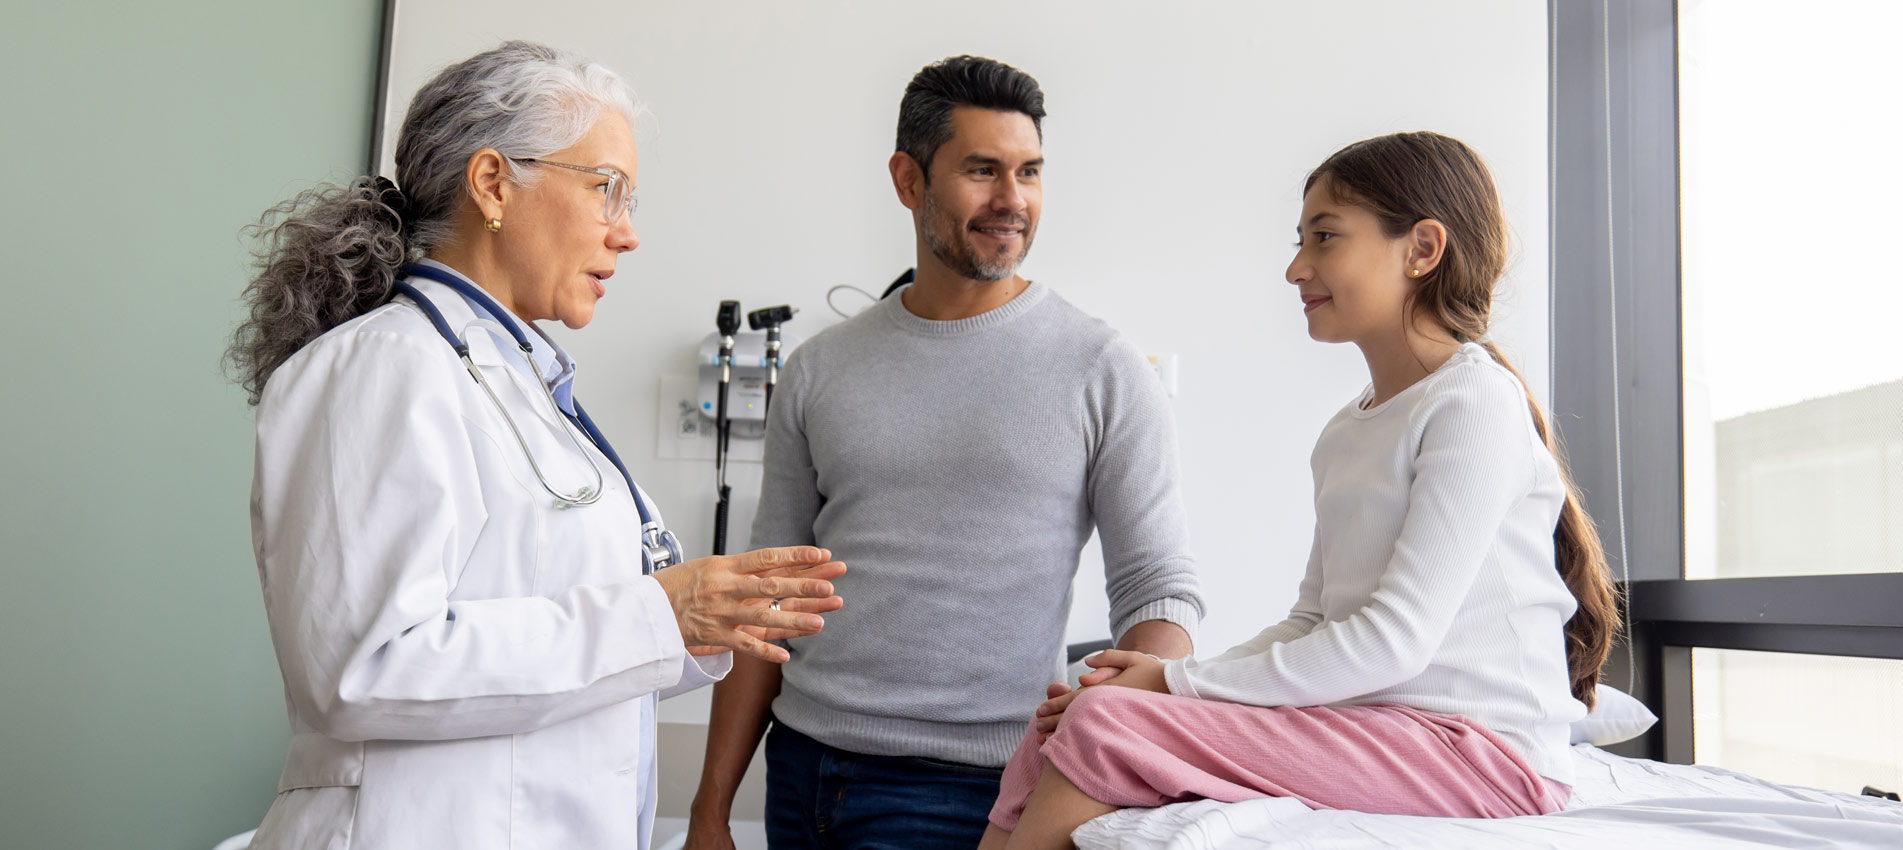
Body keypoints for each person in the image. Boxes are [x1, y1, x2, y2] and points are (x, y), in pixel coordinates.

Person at [226, 41, 845, 850]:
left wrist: (695, 624)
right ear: (492, 184)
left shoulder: (516, 381)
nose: (627, 234)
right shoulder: (382, 367)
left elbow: (554, 640)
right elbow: (364, 669)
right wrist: (658, 613)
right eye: (606, 190)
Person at [980, 131, 1622, 849]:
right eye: (1300, 239)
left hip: (1484, 756)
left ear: (1421, 249)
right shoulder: (1346, 431)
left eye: (1323, 238)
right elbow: (1312, 619)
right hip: (1387, 727)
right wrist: (1174, 672)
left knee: (1104, 721)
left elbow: (1393, 645)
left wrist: (1172, 685)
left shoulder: (1471, 403)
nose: (1295, 268)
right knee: (1071, 716)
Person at [686, 55, 1205, 850]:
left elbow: (1160, 592)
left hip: (976, 790)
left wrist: (1098, 735)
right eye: (982, 171)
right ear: (908, 180)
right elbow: (767, 600)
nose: (1013, 200)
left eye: (1029, 172)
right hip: (799, 769)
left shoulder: (1100, 367)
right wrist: (709, 810)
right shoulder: (822, 367)